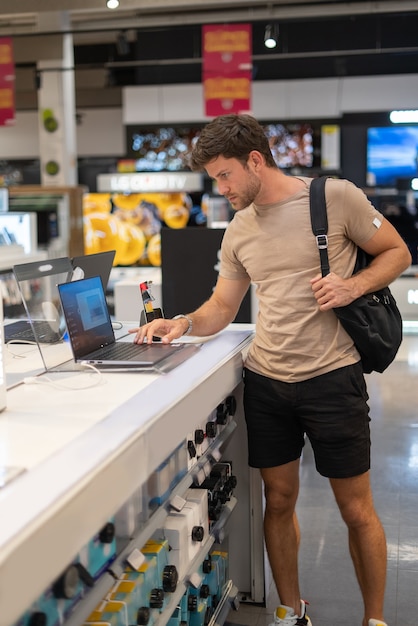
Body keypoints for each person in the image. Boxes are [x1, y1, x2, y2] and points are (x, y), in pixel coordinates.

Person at [131, 114, 412, 626]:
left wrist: (353, 285)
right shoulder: (239, 229)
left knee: (355, 508)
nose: (221, 188)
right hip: (266, 381)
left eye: (224, 175)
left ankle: (375, 618)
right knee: (277, 501)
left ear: (254, 160)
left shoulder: (334, 197)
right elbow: (222, 305)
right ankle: (290, 610)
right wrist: (183, 322)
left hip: (332, 378)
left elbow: (397, 251)